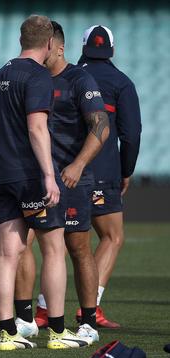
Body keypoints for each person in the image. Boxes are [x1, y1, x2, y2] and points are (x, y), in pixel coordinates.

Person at [0, 15, 91, 350]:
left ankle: (8, 333)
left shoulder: (1, 75)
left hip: (1, 174)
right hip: (30, 176)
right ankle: (58, 333)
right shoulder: (38, 76)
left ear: (21, 39)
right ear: (49, 44)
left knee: (7, 254)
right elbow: (37, 128)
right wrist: (49, 174)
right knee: (54, 250)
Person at [17, 21, 110, 343]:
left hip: (72, 180)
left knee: (77, 247)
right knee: (20, 245)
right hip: (33, 180)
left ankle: (87, 321)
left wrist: (78, 164)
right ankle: (25, 318)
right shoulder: (32, 79)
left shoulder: (79, 79)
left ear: (58, 47)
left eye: (47, 45)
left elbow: (101, 126)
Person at [77, 24, 141, 328]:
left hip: (61, 173)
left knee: (56, 245)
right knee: (112, 236)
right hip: (101, 173)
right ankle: (91, 307)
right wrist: (126, 171)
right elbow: (131, 135)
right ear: (111, 49)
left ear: (82, 46)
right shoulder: (121, 82)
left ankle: (41, 309)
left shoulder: (64, 77)